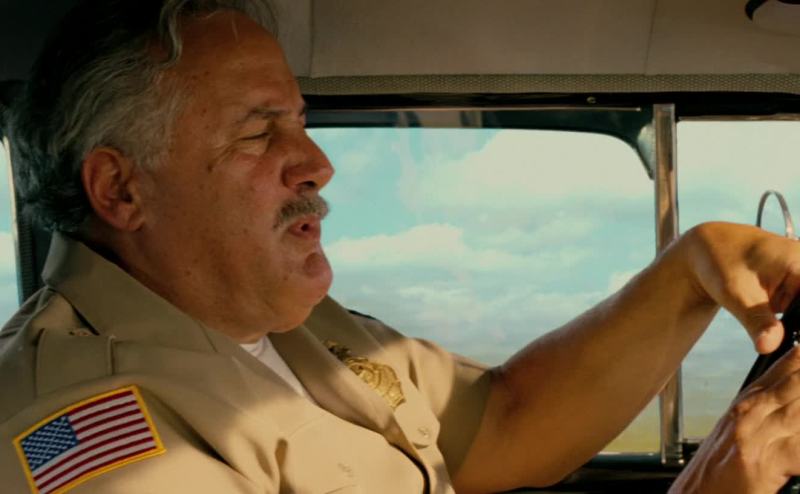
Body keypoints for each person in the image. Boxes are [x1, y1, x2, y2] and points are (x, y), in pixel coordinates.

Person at [1, 1, 799, 493]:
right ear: (122, 190)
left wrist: (692, 271)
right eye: (258, 132)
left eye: (301, 122)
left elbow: (506, 422)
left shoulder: (290, 327)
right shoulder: (86, 429)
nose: (317, 164)